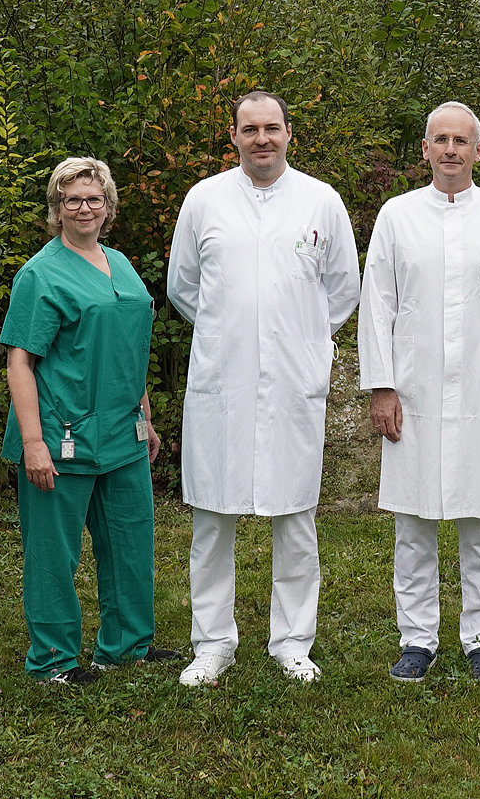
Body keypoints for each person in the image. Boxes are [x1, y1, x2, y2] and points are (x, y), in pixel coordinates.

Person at [167, 91, 361, 686]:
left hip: (291, 383)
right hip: (222, 379)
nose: (261, 139)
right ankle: (212, 643)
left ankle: (293, 641)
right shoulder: (204, 200)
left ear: (289, 133)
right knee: (211, 517)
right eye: (249, 130)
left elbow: (342, 290)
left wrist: (297, 340)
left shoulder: (321, 201)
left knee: (295, 515)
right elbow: (183, 286)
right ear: (233, 137)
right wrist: (235, 332)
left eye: (271, 128)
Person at [358, 102, 480, 683]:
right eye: (440, 140)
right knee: (412, 524)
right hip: (411, 392)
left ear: (478, 150)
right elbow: (377, 305)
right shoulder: (397, 216)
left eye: (461, 140)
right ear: (425, 149)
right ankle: (417, 638)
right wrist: (382, 387)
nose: (450, 150)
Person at [1, 157, 169, 687]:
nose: (84, 207)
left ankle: (127, 645)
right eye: (71, 199)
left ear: (108, 205)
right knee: (54, 552)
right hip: (61, 432)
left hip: (122, 430)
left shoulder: (119, 262)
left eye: (94, 198)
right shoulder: (41, 274)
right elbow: (20, 362)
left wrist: (145, 414)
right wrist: (33, 442)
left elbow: (127, 347)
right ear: (56, 209)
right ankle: (53, 659)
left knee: (130, 540)